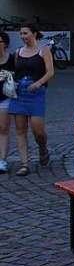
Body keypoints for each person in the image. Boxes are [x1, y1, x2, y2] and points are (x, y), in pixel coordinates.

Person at [8, 24, 55, 175]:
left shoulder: (44, 50)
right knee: (20, 130)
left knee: (38, 130)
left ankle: (43, 148)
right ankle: (24, 164)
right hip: (19, 92)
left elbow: (50, 72)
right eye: (21, 34)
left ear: (34, 34)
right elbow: (15, 71)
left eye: (25, 33)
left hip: (36, 93)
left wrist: (39, 83)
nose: (22, 36)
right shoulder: (18, 52)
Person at [0, 32, 14, 173]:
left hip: (5, 97)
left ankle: (2, 160)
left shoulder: (11, 58)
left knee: (3, 129)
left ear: (5, 43)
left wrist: (9, 75)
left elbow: (19, 75)